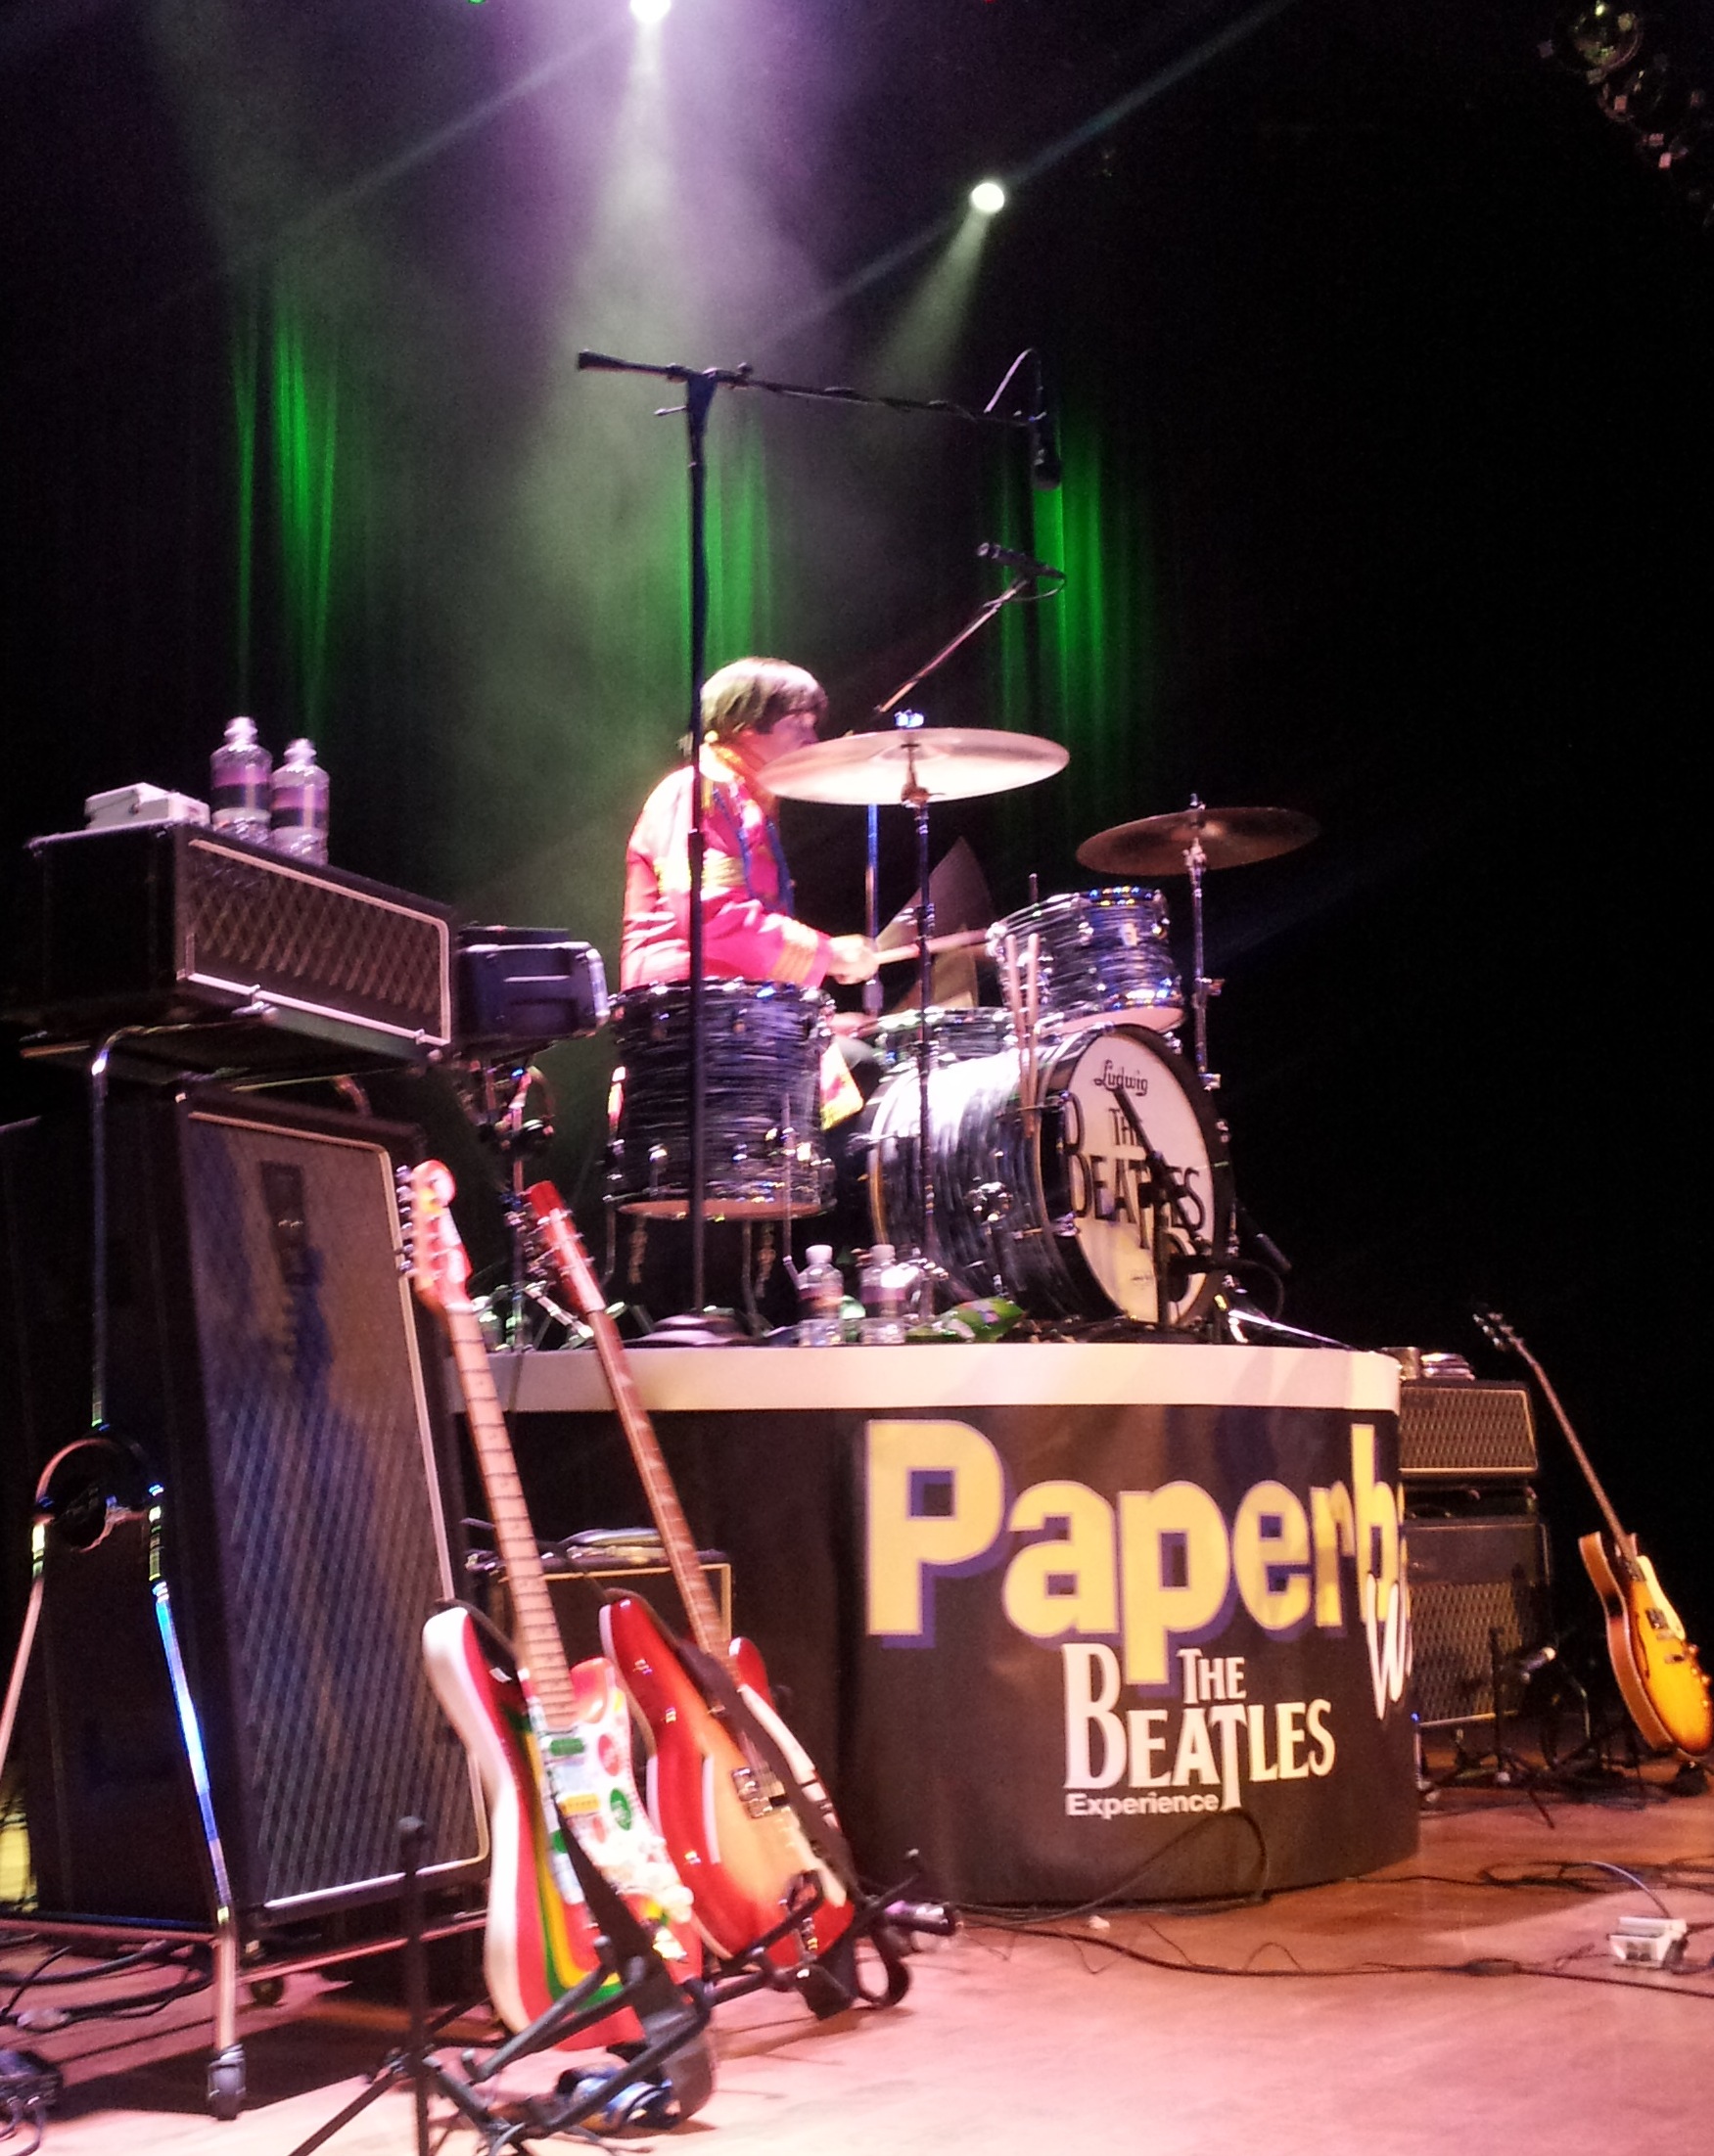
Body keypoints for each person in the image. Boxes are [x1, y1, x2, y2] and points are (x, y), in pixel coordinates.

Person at [620, 657, 879, 993]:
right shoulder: (698, 790)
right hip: (687, 1002)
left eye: (812, 725)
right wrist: (827, 953)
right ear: (745, 722)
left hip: (737, 1001)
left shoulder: (745, 799)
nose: (812, 739)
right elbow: (709, 913)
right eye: (798, 723)